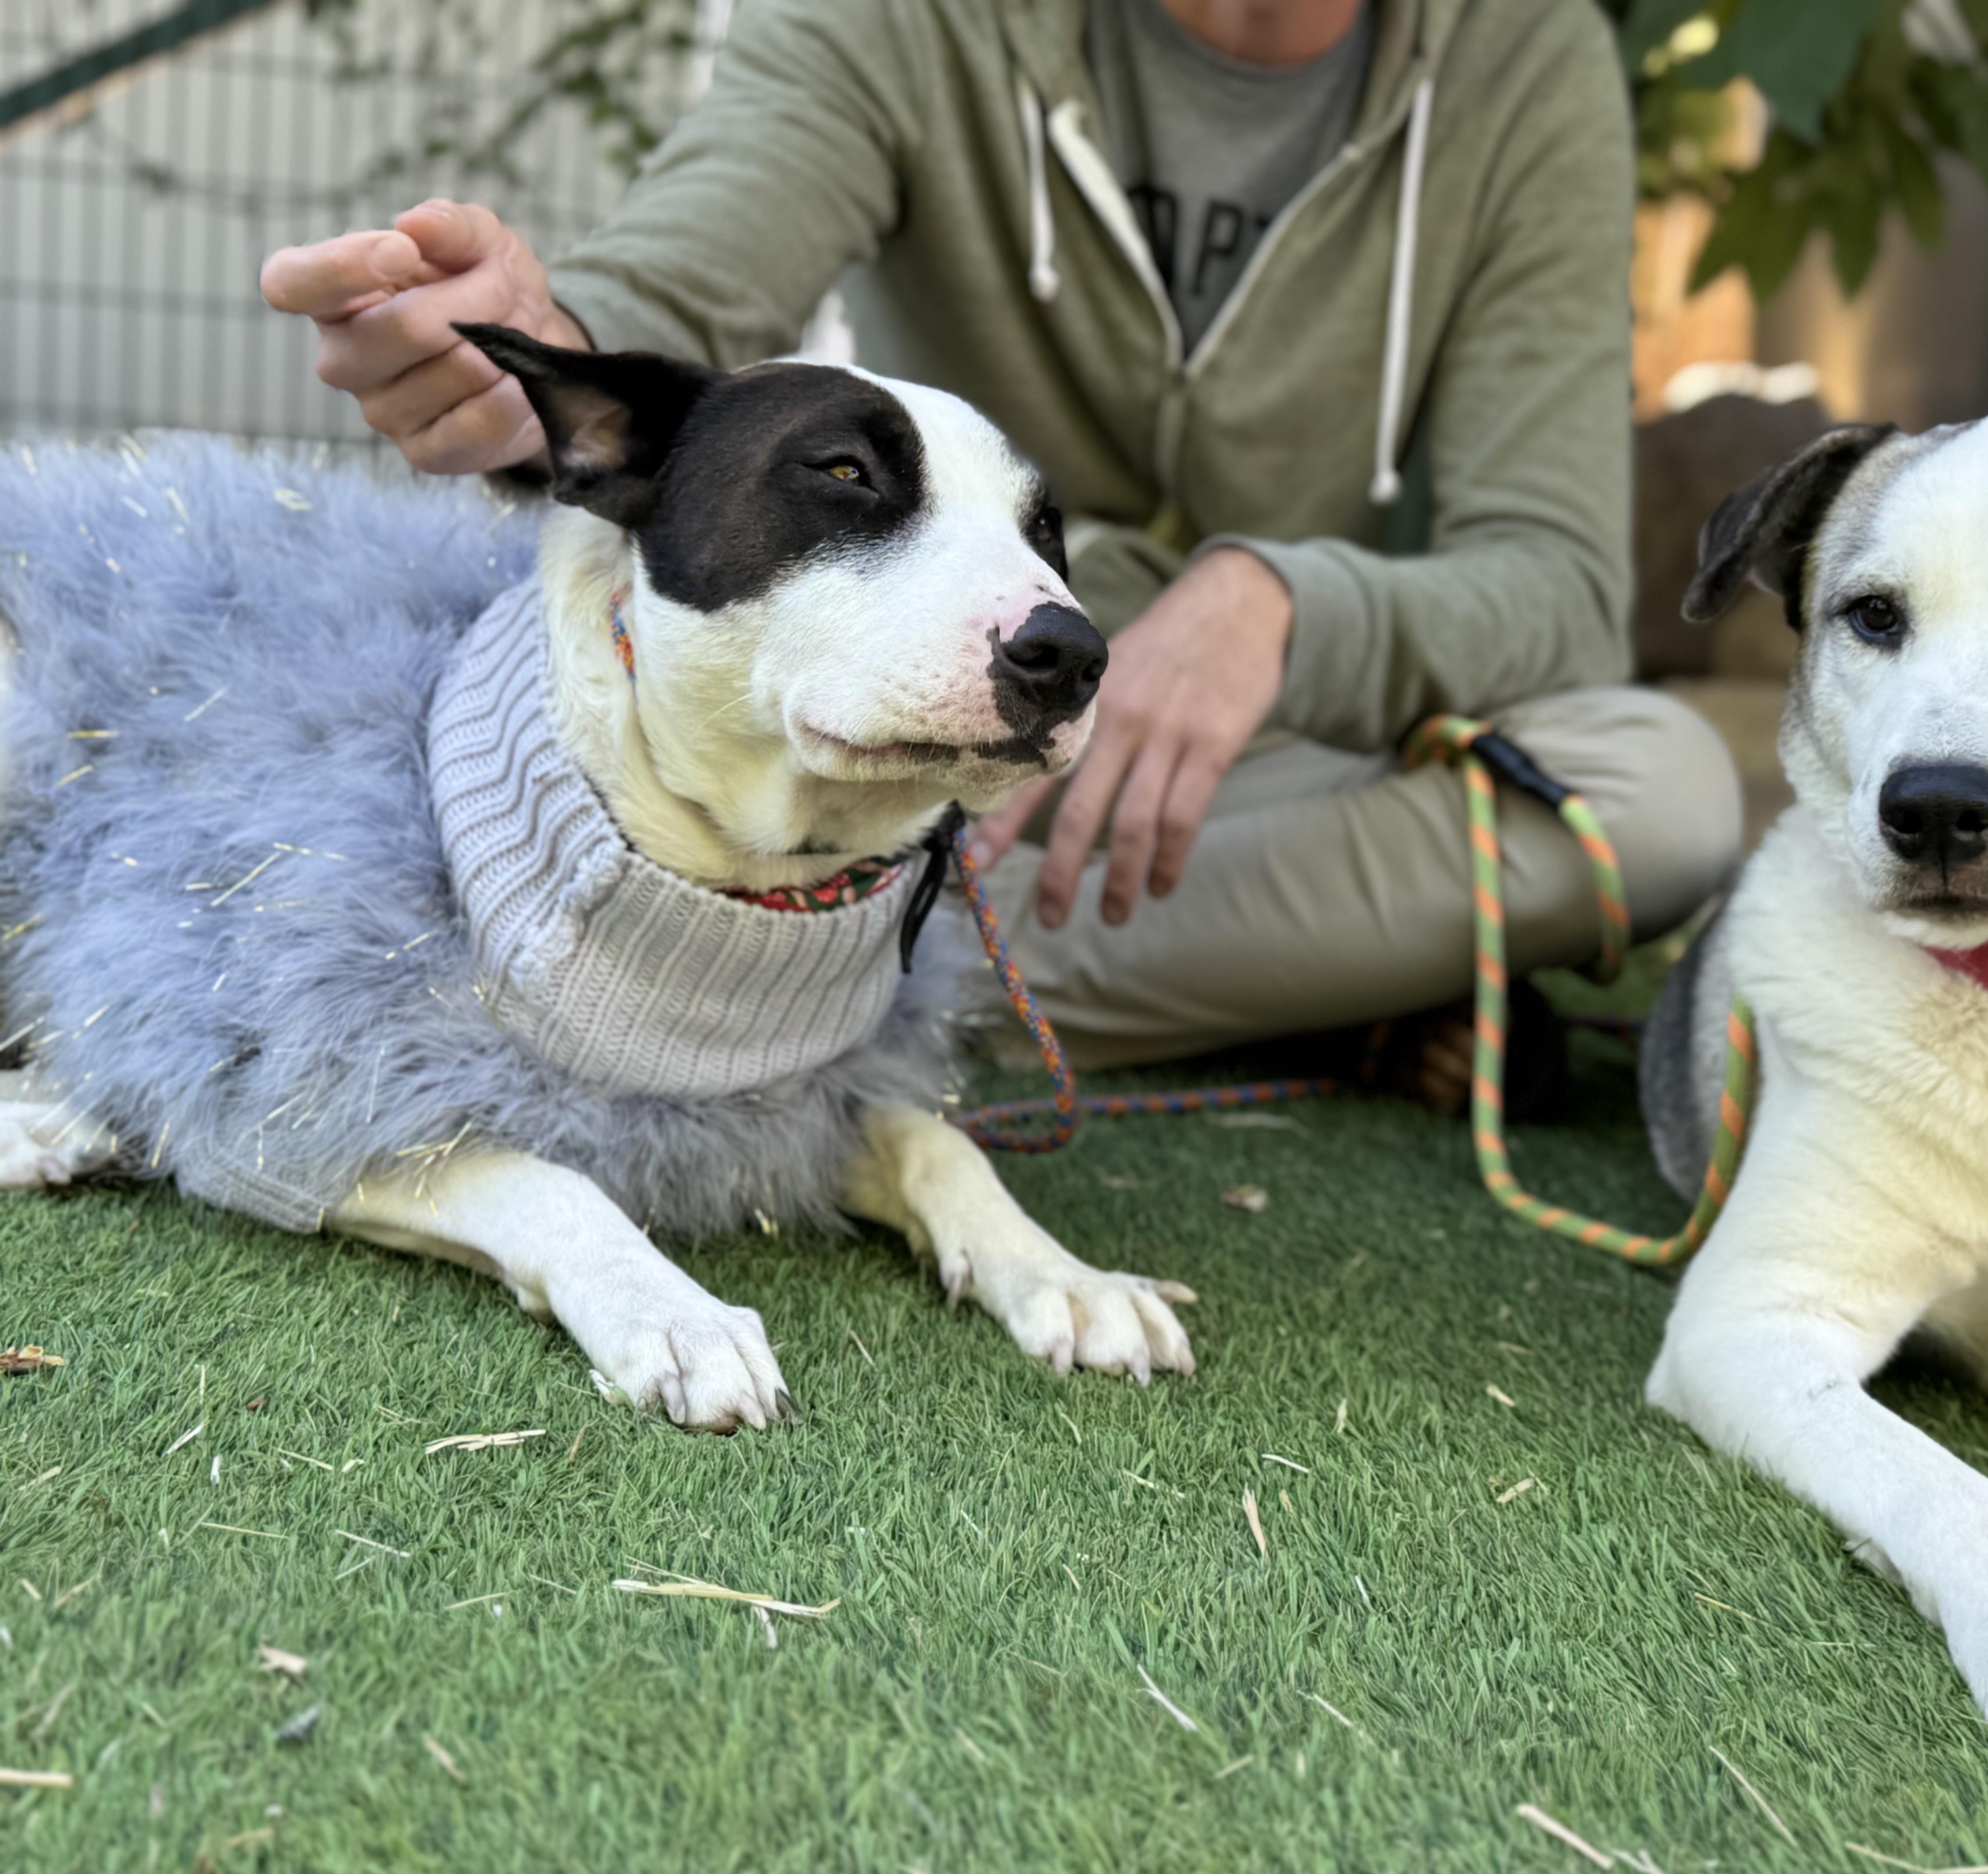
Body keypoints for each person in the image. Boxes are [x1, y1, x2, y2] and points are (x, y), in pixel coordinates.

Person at [261, 0, 1742, 1104]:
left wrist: (1279, 606)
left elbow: (1556, 588)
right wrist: (542, 357)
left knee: (1659, 799)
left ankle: (832, 994)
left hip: (1257, 760)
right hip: (924, 756)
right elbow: (684, 298)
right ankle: (1299, 982)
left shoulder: (1526, 54)